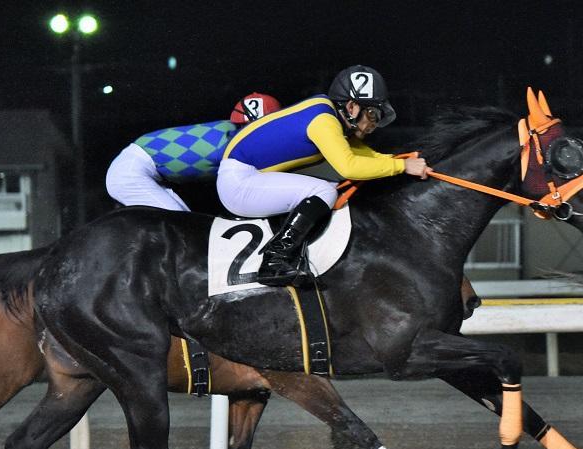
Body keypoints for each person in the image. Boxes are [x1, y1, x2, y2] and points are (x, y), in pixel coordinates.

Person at [217, 65, 430, 286]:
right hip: (238, 183)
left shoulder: (328, 114)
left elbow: (372, 157)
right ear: (352, 107)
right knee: (323, 191)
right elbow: (350, 167)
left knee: (328, 184)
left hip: (246, 176)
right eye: (372, 114)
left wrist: (407, 162)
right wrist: (402, 166)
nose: (373, 125)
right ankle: (274, 261)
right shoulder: (323, 121)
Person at [105, 93, 282, 211]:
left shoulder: (230, 132)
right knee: (181, 227)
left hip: (138, 164)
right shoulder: (232, 145)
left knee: (187, 224)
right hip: (130, 171)